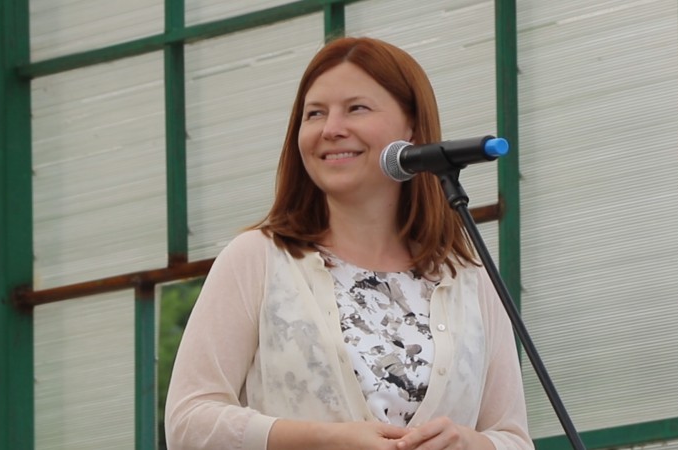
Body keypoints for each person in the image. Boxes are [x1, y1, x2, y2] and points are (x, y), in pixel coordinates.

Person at [165, 36, 533, 450]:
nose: (331, 129)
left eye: (356, 108)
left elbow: (514, 438)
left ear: (412, 128)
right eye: (315, 113)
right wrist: (324, 439)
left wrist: (470, 444)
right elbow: (188, 422)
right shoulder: (258, 258)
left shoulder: (468, 276)